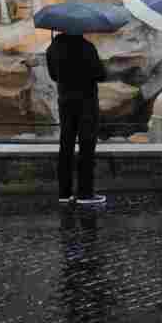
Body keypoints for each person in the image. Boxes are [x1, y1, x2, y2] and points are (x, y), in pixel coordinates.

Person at [45, 33, 108, 206]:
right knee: (86, 147)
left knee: (66, 145)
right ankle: (85, 193)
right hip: (86, 103)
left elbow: (53, 75)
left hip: (65, 101)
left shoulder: (53, 48)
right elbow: (101, 74)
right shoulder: (87, 47)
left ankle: (64, 193)